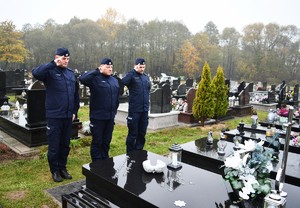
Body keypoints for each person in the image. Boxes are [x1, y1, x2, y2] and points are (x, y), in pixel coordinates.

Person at [32, 47, 79, 182]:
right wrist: (53, 63)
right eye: (64, 58)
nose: (66, 61)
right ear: (57, 57)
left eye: (68, 59)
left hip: (67, 116)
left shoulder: (70, 74)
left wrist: (74, 111)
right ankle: (55, 171)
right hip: (54, 115)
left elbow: (75, 95)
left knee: (65, 144)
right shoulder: (50, 71)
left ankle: (62, 167)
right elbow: (36, 73)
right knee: (54, 145)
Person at [79, 58, 119, 161]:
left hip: (110, 117)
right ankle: (96, 164)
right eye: (107, 67)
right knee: (97, 142)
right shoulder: (95, 79)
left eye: (111, 67)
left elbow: (116, 97)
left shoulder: (114, 80)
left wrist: (114, 111)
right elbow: (83, 79)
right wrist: (97, 70)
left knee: (106, 141)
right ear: (101, 67)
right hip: (98, 117)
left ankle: (105, 160)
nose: (110, 69)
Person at [122, 58, 151, 153]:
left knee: (142, 132)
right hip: (134, 110)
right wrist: (134, 71)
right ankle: (130, 153)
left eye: (143, 67)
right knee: (133, 133)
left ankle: (139, 152)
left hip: (144, 110)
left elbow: (148, 90)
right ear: (136, 66)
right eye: (140, 67)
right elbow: (123, 82)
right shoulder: (131, 75)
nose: (142, 69)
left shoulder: (146, 77)